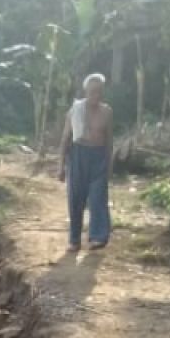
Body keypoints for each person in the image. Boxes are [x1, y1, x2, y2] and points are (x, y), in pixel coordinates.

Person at [58, 73, 113, 252]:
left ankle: (98, 236)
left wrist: (109, 165)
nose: (95, 95)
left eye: (98, 92)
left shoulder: (107, 112)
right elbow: (65, 139)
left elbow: (109, 140)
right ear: (86, 91)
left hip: (98, 157)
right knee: (76, 198)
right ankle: (74, 240)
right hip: (78, 155)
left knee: (98, 197)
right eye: (92, 92)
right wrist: (61, 167)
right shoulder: (75, 110)